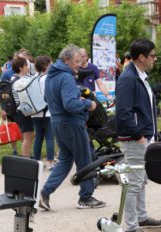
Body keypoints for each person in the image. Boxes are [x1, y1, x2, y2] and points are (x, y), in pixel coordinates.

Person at [39, 45, 105, 210]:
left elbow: (47, 98)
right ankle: (86, 197)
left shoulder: (50, 76)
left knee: (65, 161)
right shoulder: (66, 77)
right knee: (84, 159)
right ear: (66, 60)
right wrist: (88, 104)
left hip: (57, 123)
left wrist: (73, 102)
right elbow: (70, 104)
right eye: (76, 61)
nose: (79, 64)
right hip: (72, 123)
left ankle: (45, 193)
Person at [115, 39, 161, 232]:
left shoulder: (140, 75)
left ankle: (141, 218)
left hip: (143, 136)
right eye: (152, 55)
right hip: (135, 139)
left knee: (141, 179)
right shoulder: (128, 78)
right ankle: (131, 226)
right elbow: (123, 113)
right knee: (134, 182)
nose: (155, 58)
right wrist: (139, 136)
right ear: (142, 57)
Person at [8, 56, 35, 157]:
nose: (28, 67)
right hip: (23, 112)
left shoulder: (15, 79)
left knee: (28, 136)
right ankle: (26, 161)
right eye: (26, 65)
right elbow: (23, 98)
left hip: (21, 111)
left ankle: (27, 158)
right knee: (28, 138)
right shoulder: (18, 81)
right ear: (20, 68)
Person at [32, 55, 55, 168]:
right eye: (50, 64)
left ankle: (36, 162)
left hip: (35, 112)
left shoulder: (34, 77)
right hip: (48, 112)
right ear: (46, 65)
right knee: (49, 137)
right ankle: (50, 163)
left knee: (38, 138)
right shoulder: (48, 78)